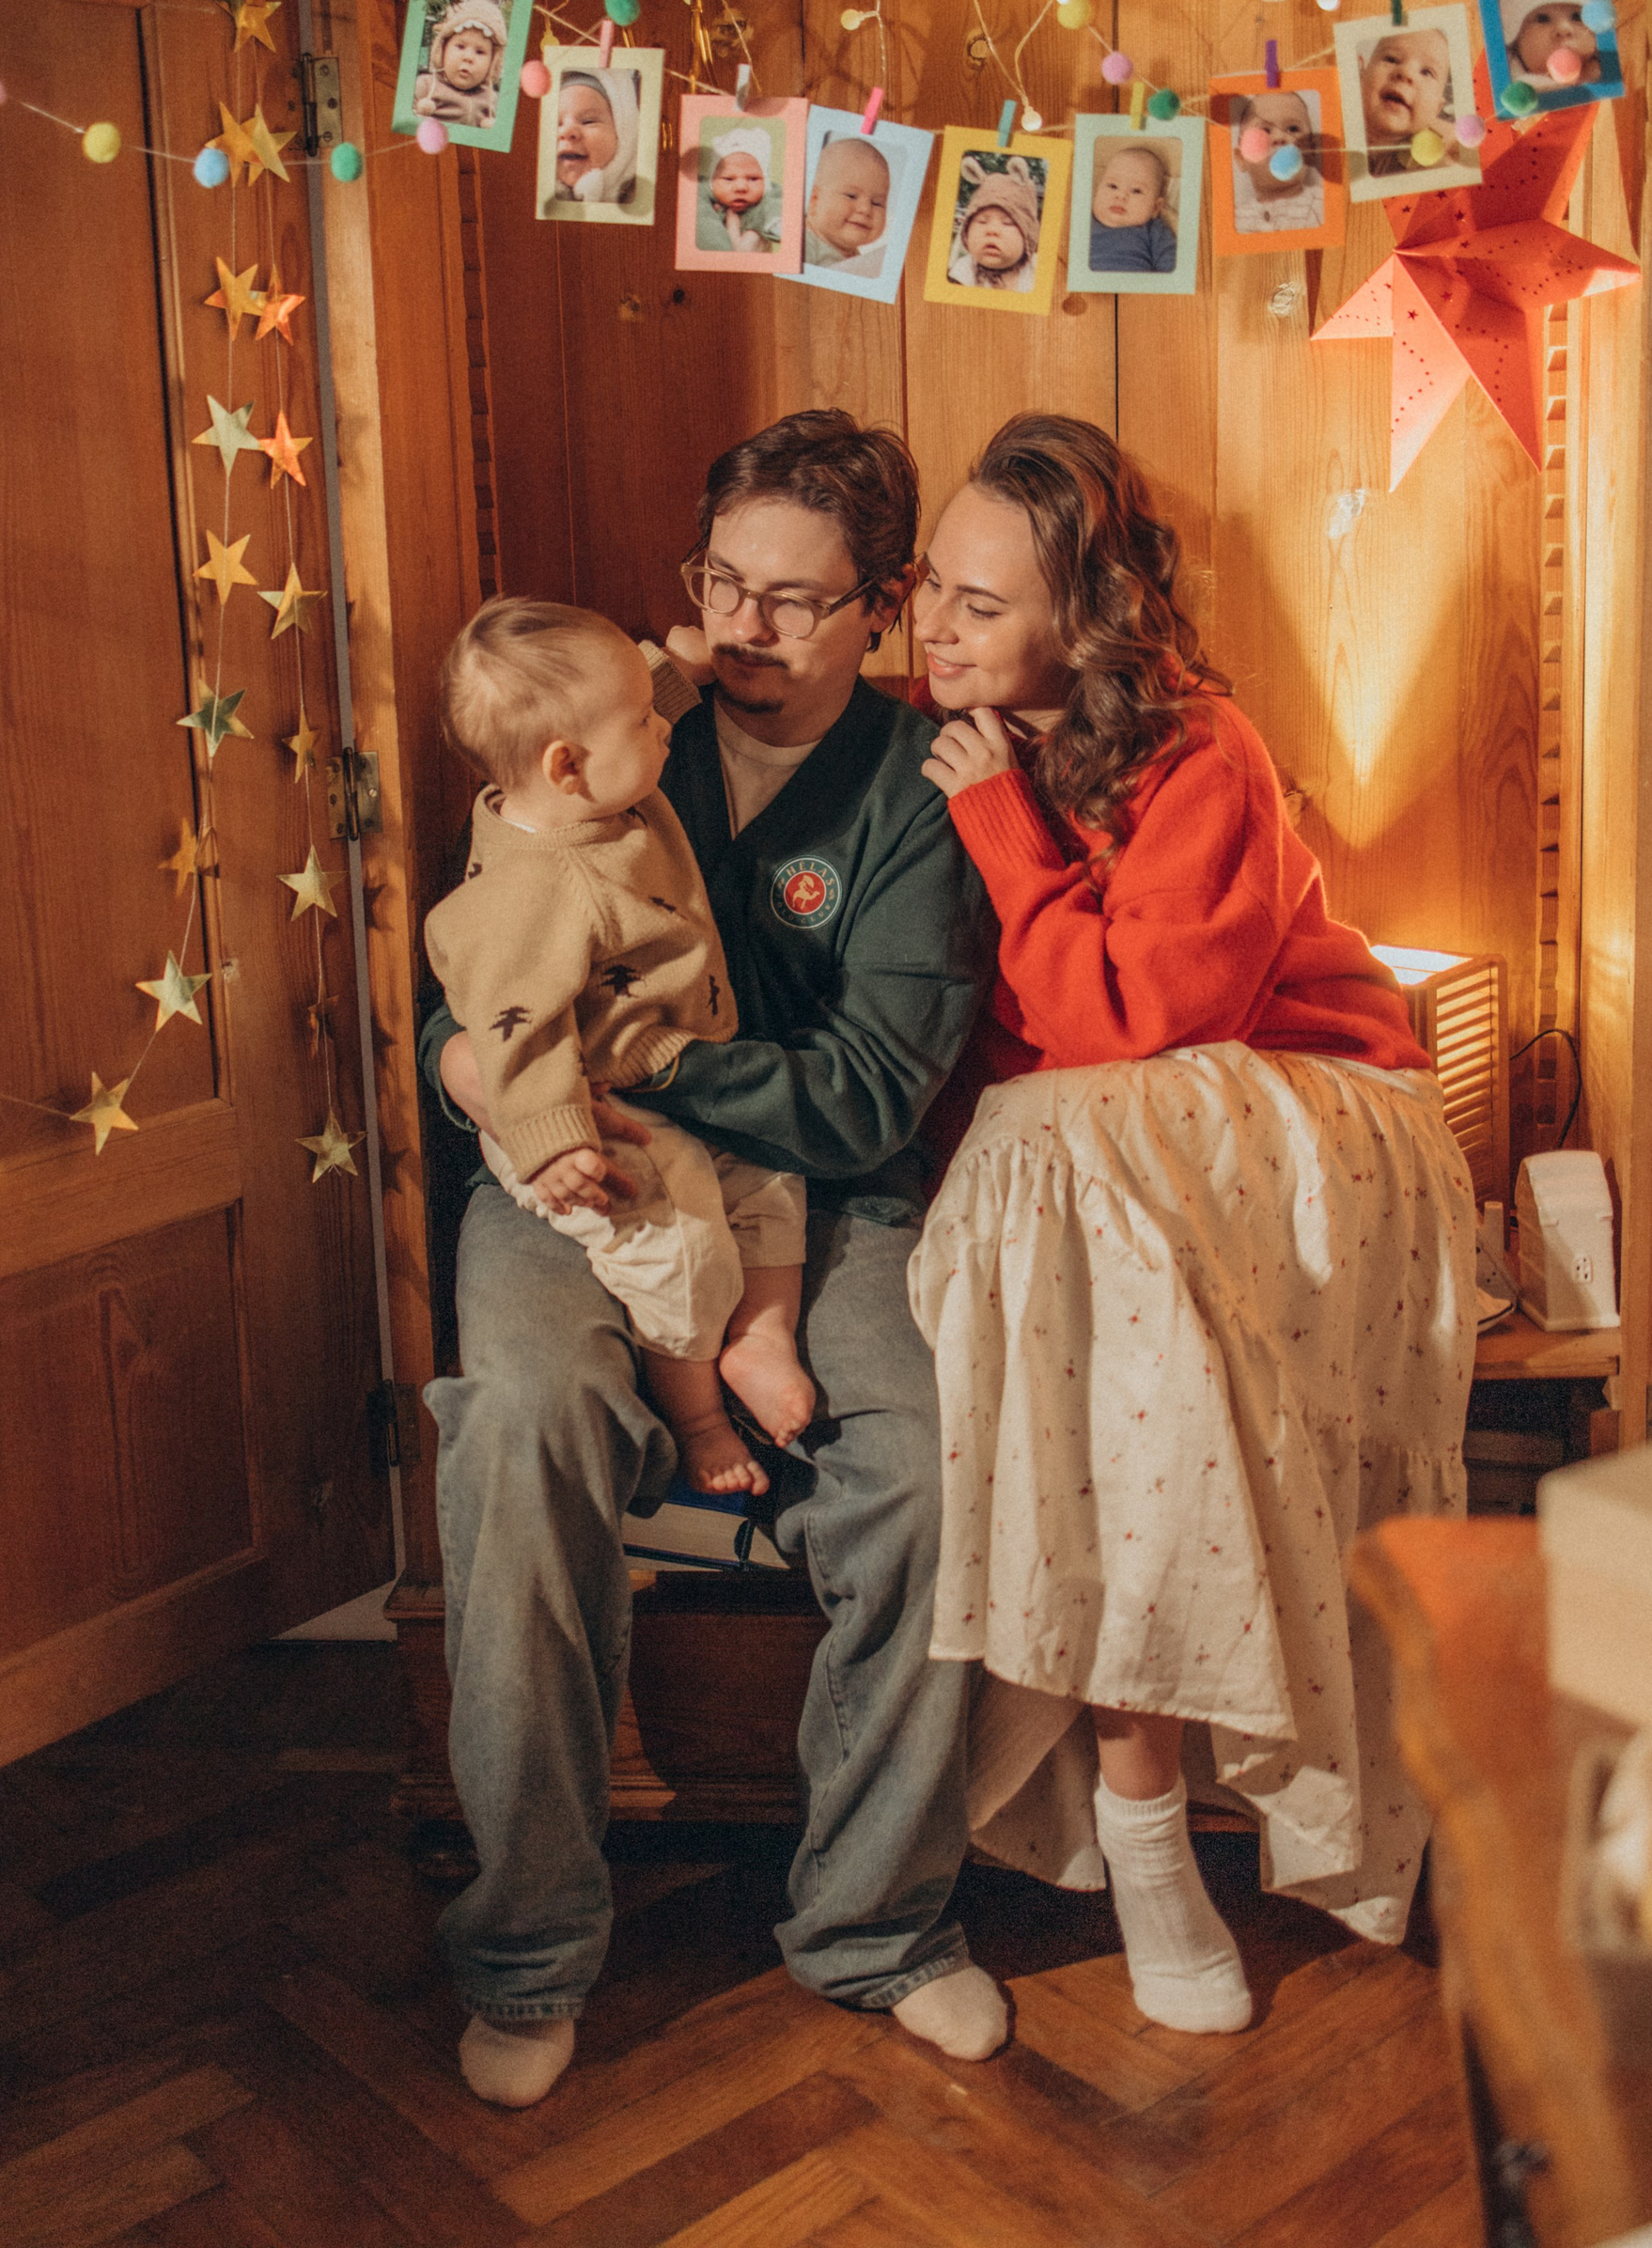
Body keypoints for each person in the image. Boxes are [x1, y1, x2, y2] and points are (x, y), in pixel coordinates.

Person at [420, 411, 1001, 2109]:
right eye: (721, 583)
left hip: (820, 1193)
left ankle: (878, 1927)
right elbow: (483, 970)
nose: (742, 628)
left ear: (883, 604)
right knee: (519, 1424)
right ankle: (528, 1949)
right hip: (577, 1180)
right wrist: (469, 1076)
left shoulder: (917, 792)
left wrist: (659, 1074)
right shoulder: (606, 710)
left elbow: (871, 1092)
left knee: (925, 1472)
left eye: (795, 601)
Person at [907, 414, 1476, 2035]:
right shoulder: (945, 733)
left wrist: (1005, 829)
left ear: (1081, 618)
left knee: (1082, 1183)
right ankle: (1136, 1813)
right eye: (929, 587)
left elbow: (1132, 1020)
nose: (933, 627)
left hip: (1296, 1110)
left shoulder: (1196, 748)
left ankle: (1147, 1833)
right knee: (1093, 1286)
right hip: (1110, 1165)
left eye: (978, 604)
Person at [426, 598, 812, 1493]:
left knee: (772, 1179)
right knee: (682, 1245)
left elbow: (614, 704)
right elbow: (512, 1030)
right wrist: (552, 1137)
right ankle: (700, 1419)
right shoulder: (537, 890)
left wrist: (678, 670)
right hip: (583, 1110)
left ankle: (760, 1338)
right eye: (647, 719)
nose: (663, 727)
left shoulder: (579, 789)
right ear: (566, 766)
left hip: (655, 1069)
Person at [1495, 0, 1603, 92]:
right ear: (1516, 39)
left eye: (1577, 17)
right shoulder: (1513, 88)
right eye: (1543, 19)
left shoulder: (1607, 71)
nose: (1564, 29)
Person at [1356, 24, 1455, 175]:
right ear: (1362, 75)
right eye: (1391, 59)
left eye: (1427, 73)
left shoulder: (1437, 162)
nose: (1406, 72)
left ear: (1437, 109)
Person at [1229, 90, 1326, 233]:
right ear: (1242, 158)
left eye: (1293, 129)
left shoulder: (1322, 203)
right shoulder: (1236, 220)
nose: (1279, 137)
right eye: (1265, 130)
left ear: (1311, 152)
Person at [414, 0, 508, 129]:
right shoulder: (424, 86)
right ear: (443, 49)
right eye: (460, 47)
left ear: (493, 63)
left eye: (480, 52)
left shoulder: (492, 102)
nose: (468, 58)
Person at [946, 156, 1041, 293]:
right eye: (982, 221)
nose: (992, 230)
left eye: (1007, 223)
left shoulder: (1039, 271)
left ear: (1028, 235)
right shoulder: (963, 272)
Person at [552, 65, 641, 205]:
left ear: (622, 134)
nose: (567, 132)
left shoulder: (639, 197)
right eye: (557, 124)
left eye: (588, 121)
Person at [804, 133, 892, 275]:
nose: (865, 209)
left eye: (877, 203)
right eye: (851, 196)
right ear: (814, 200)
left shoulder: (858, 258)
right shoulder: (803, 245)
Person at [1086, 140, 1177, 273]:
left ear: (1155, 208)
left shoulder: (1155, 231)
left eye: (1136, 191)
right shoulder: (1081, 221)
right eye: (1113, 186)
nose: (1121, 196)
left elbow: (1173, 269)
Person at [694, 124, 781, 253]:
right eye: (729, 179)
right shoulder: (702, 198)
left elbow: (777, 202)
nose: (741, 187)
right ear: (712, 182)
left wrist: (777, 224)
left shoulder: (763, 204)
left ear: (766, 182)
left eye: (753, 179)